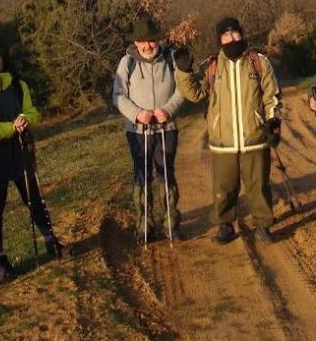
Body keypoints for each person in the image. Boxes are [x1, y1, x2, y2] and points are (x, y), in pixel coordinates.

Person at [175, 17, 283, 244]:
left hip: (255, 137)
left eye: (234, 34)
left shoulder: (258, 61)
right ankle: (225, 226)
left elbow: (271, 95)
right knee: (224, 188)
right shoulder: (213, 66)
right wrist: (184, 72)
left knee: (258, 187)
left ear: (242, 35)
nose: (231, 39)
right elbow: (195, 93)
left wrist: (273, 124)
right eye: (225, 36)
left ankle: (263, 225)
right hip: (222, 141)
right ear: (219, 40)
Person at [0, 41, 61, 280]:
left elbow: (33, 113)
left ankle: (51, 240)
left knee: (34, 199)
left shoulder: (19, 86)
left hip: (20, 154)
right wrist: (11, 128)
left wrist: (26, 120)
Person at [113, 17, 185, 242]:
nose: (147, 45)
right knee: (141, 175)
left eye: (151, 40)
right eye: (142, 41)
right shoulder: (127, 63)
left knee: (166, 174)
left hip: (167, 127)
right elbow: (118, 96)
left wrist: (168, 110)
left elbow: (183, 90)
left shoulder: (172, 59)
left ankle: (171, 222)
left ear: (158, 40)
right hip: (137, 131)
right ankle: (144, 224)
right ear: (136, 41)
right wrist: (136, 114)